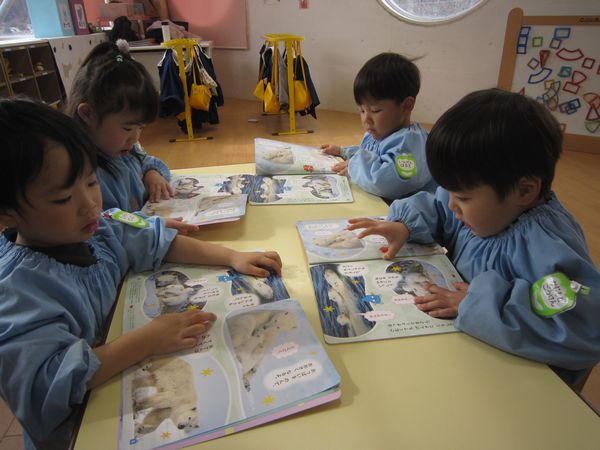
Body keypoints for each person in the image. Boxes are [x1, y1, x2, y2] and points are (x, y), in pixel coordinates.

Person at [0, 97, 283, 450]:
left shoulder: (97, 229)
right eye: (62, 199)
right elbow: (50, 384)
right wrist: (147, 340)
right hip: (84, 430)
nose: (89, 204)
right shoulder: (17, 293)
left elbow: (153, 239)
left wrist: (232, 256)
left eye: (91, 182)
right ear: (7, 213)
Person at [347, 89, 600, 388]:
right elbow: (439, 208)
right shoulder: (485, 207)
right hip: (468, 354)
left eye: (463, 197)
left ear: (524, 190)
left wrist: (479, 303)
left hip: (524, 385)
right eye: (449, 191)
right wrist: (404, 224)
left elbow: (583, 330)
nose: (452, 205)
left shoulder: (547, 246)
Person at [64, 41, 197, 234]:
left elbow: (146, 159)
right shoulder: (81, 171)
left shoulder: (123, 149)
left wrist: (151, 173)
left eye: (141, 127)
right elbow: (100, 227)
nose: (135, 138)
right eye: (127, 128)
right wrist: (148, 224)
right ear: (88, 113)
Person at [321, 52, 436, 202]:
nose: (366, 119)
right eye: (362, 110)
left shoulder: (409, 143)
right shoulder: (380, 132)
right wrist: (344, 151)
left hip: (412, 213)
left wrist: (354, 165)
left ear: (406, 106)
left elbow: (385, 182)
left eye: (375, 110)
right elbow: (372, 155)